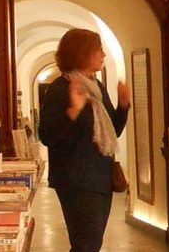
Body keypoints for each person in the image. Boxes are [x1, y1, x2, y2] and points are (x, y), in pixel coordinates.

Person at [38, 28, 130, 252]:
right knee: (86, 245)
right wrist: (73, 112)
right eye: (98, 50)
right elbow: (47, 135)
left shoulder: (96, 89)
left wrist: (123, 105)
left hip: (101, 177)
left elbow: (113, 131)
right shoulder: (60, 89)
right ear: (82, 53)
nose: (103, 55)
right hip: (76, 179)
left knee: (91, 244)